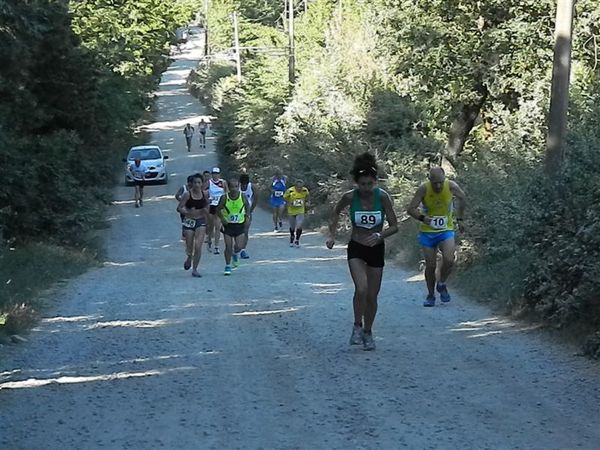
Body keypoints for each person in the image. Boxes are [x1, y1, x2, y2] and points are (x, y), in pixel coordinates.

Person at [326, 153, 398, 351]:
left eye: (370, 184)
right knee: (362, 289)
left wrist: (380, 235)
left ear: (375, 182)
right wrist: (331, 235)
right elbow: (335, 213)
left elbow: (395, 226)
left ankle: (368, 332)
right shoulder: (349, 197)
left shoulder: (382, 197)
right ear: (356, 182)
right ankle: (357, 326)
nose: (366, 188)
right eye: (363, 184)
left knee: (372, 296)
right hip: (356, 247)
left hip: (376, 248)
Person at [406, 167, 467, 307]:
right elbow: (410, 209)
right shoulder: (423, 189)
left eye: (440, 182)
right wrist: (423, 218)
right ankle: (431, 295)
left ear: (444, 178)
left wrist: (460, 219)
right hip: (427, 232)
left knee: (449, 259)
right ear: (429, 180)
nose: (438, 186)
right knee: (431, 265)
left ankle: (442, 283)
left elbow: (463, 198)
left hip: (445, 229)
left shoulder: (451, 186)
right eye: (435, 183)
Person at [177, 173, 209, 278]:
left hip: (201, 221)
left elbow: (208, 209)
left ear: (202, 184)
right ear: (192, 184)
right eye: (195, 182)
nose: (197, 184)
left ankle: (195, 269)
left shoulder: (205, 194)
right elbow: (179, 208)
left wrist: (205, 211)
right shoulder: (187, 194)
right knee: (189, 245)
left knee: (198, 246)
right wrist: (188, 213)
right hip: (189, 221)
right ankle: (189, 257)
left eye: (199, 182)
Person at [217, 178, 250, 276]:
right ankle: (227, 266)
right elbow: (218, 209)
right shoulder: (224, 197)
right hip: (228, 225)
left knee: (239, 246)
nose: (234, 189)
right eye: (232, 187)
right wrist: (222, 218)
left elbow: (247, 206)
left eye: (236, 187)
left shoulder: (242, 196)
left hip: (239, 225)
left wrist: (247, 216)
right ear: (228, 187)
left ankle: (235, 255)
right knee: (228, 247)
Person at [207, 167, 228, 254]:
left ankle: (216, 247)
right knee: (210, 226)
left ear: (219, 174)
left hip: (220, 206)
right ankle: (209, 242)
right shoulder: (209, 182)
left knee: (217, 227)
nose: (215, 175)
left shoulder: (223, 182)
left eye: (217, 173)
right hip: (211, 206)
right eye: (214, 173)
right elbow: (203, 192)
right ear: (212, 174)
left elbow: (227, 193)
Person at [283, 180, 310, 248]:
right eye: (298, 187)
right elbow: (284, 197)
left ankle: (297, 240)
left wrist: (307, 202)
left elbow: (308, 197)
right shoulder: (290, 190)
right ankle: (292, 236)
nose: (299, 189)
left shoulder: (305, 190)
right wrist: (289, 202)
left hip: (300, 210)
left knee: (299, 225)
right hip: (291, 211)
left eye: (301, 187)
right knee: (292, 226)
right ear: (295, 187)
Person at [239, 173, 258, 259]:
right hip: (236, 211)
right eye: (242, 184)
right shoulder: (236, 187)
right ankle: (235, 247)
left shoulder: (253, 187)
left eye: (245, 185)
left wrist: (251, 211)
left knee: (245, 231)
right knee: (236, 231)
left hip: (247, 211)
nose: (243, 186)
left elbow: (256, 199)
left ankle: (243, 250)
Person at [176, 175, 194, 239]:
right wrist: (182, 201)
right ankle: (184, 234)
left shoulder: (195, 189)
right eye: (191, 182)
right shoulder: (183, 188)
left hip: (192, 208)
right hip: (184, 208)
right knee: (184, 221)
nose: (192, 184)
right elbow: (177, 195)